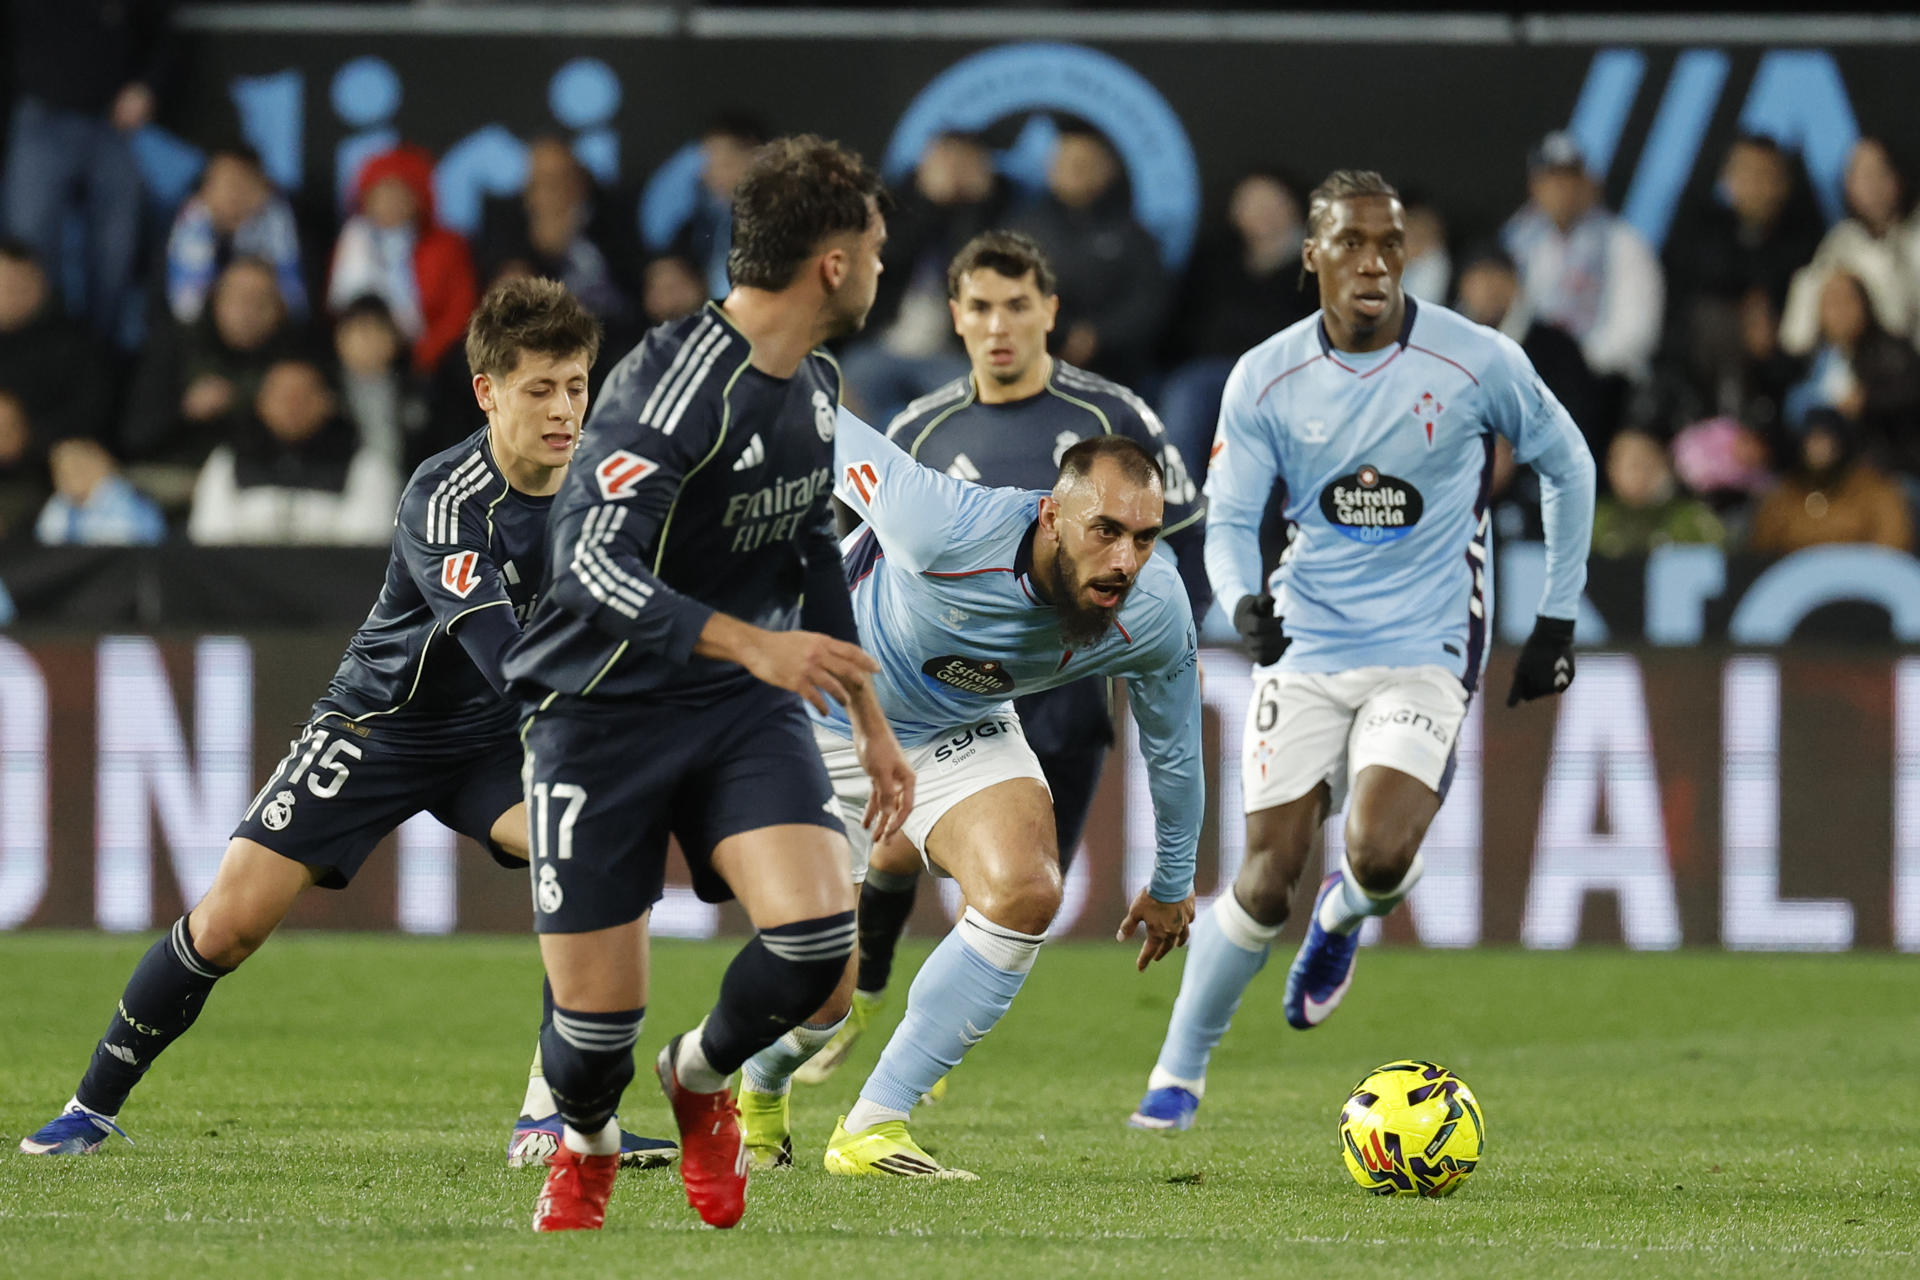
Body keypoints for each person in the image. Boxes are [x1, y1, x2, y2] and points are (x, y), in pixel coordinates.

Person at [17, 278, 675, 1173]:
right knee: (230, 925)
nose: (565, 410)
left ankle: (547, 1122)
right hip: (380, 727)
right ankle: (88, 1108)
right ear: (487, 392)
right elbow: (506, 657)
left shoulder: (607, 484)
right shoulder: (444, 499)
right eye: (540, 389)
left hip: (490, 746)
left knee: (600, 854)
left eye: (576, 386)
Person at [500, 135, 914, 1234]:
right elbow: (586, 563)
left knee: (822, 950)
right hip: (599, 709)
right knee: (589, 1043)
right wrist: (755, 644)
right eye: (874, 244)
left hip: (734, 703)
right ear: (832, 263)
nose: (884, 263)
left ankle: (699, 1075)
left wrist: (869, 716)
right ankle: (585, 1136)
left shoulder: (816, 381)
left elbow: (812, 545)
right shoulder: (676, 386)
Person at [1129, 170, 1595, 1132]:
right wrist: (1241, 598)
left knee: (1377, 850)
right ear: (1313, 257)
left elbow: (1569, 463)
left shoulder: (1476, 360)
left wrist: (1556, 617)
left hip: (1425, 643)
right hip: (1305, 644)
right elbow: (1229, 518)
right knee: (1263, 875)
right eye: (1351, 243)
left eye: (1390, 244)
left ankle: (1347, 915)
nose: (1375, 262)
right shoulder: (1264, 374)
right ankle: (1177, 1076)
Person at [733, 413, 1201, 1178]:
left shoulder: (1154, 610)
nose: (1125, 559)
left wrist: (1174, 881)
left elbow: (1175, 746)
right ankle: (759, 1086)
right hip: (809, 718)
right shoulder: (937, 524)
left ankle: (875, 1126)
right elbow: (815, 419)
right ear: (1052, 514)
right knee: (823, 997)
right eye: (1106, 530)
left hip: (954, 726)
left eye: (1145, 538)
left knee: (1026, 889)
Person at [795, 229, 1207, 1088]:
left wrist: (1174, 875)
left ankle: (916, 1055)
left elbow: (1172, 554)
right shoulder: (924, 434)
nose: (999, 324)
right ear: (955, 318)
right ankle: (858, 998)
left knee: (1020, 885)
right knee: (896, 859)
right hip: (895, 683)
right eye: (980, 306)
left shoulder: (1112, 420)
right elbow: (848, 517)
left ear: (1050, 311)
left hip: (1053, 690)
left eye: (1017, 304)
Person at [2, 0, 175, 344]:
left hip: (115, 124)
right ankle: (23, 365)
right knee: (24, 251)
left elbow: (165, 31)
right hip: (41, 115)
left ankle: (99, 366)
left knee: (115, 254)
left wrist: (148, 86)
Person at [1502, 131, 1664, 429]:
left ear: (1588, 183)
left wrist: (1572, 368)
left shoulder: (1623, 243)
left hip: (1599, 384)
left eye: (1569, 179)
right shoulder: (1518, 240)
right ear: (1534, 187)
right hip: (1528, 384)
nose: (1560, 189)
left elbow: (1636, 333)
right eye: (1550, 179)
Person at [1008, 123, 1169, 382]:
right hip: (1033, 359)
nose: (1072, 170)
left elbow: (1146, 304)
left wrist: (1097, 336)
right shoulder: (1023, 228)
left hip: (1114, 367)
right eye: (1064, 161)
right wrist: (1059, 333)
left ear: (1108, 169)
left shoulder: (1133, 235)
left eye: (1083, 163)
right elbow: (1004, 295)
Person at [185, 355, 401, 545]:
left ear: (327, 402)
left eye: (302, 396)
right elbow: (210, 542)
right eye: (281, 396)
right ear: (261, 403)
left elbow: (367, 546)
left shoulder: (365, 465)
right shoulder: (229, 460)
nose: (291, 406)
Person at [328, 143, 480, 375]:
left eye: (400, 193)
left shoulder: (446, 246)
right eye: (381, 192)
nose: (390, 202)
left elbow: (460, 312)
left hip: (430, 363)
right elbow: (338, 310)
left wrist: (423, 356)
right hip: (356, 360)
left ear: (419, 199)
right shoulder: (352, 241)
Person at [0, 238, 118, 536]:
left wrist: (27, 437)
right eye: (3, 284)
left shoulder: (75, 344)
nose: (11, 293)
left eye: (21, 283)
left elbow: (93, 416)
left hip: (46, 480)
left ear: (41, 283)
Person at [1779, 137, 1920, 353]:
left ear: (1899, 177)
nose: (1872, 185)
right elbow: (1797, 338)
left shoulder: (1915, 234)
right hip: (1864, 364)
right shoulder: (1840, 242)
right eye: (1862, 175)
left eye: (1881, 172)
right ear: (1848, 183)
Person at [164, 145, 309, 325]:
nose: (232, 194)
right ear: (205, 189)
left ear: (263, 189)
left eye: (242, 183)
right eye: (224, 183)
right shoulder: (181, 226)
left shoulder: (290, 225)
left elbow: (295, 305)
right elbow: (183, 310)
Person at [1750, 409, 1913, 554]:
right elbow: (1763, 549)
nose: (1818, 448)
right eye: (1811, 440)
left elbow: (1892, 546)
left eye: (1825, 440)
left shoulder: (1874, 489)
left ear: (1841, 444)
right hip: (1801, 583)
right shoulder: (1783, 496)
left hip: (1860, 583)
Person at [1590, 429, 1725, 557]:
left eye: (1642, 462)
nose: (1635, 473)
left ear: (1662, 463)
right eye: (1624, 463)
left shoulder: (1691, 518)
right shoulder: (1596, 517)